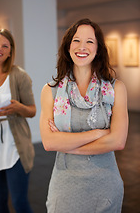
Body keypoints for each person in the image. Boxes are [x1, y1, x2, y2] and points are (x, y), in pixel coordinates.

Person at [40, 18, 128, 213]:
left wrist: (68, 145)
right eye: (76, 40)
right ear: (67, 47)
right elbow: (49, 142)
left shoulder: (116, 89)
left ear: (98, 49)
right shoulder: (50, 91)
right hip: (65, 188)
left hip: (105, 187)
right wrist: (98, 133)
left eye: (90, 41)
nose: (82, 47)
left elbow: (118, 141)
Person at [0, 29, 36, 213]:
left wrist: (19, 108)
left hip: (15, 147)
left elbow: (32, 111)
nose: (0, 49)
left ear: (11, 52)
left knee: (19, 202)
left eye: (5, 46)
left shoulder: (19, 75)